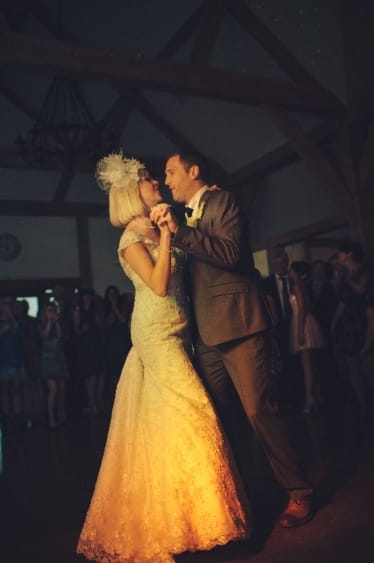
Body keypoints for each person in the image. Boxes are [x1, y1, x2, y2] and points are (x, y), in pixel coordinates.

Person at [76, 152, 250, 563]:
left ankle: (186, 520)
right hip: (155, 333)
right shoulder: (131, 239)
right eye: (148, 178)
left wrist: (180, 223)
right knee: (197, 413)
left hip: (181, 329)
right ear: (132, 191)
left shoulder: (155, 227)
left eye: (156, 177)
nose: (156, 181)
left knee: (169, 425)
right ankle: (209, 524)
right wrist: (167, 235)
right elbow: (157, 284)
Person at [151, 150, 315, 528]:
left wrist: (180, 230)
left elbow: (229, 252)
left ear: (194, 171)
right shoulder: (185, 216)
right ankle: (237, 498)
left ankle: (299, 491)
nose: (168, 180)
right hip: (205, 335)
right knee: (215, 420)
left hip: (240, 326)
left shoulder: (223, 200)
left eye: (172, 172)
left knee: (260, 411)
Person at [288, 261, 326, 413]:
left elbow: (302, 308)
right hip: (308, 321)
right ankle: (317, 396)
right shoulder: (303, 284)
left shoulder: (297, 285)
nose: (289, 272)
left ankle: (309, 399)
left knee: (307, 366)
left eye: (291, 270)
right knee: (313, 364)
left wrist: (299, 331)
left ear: (296, 272)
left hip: (302, 322)